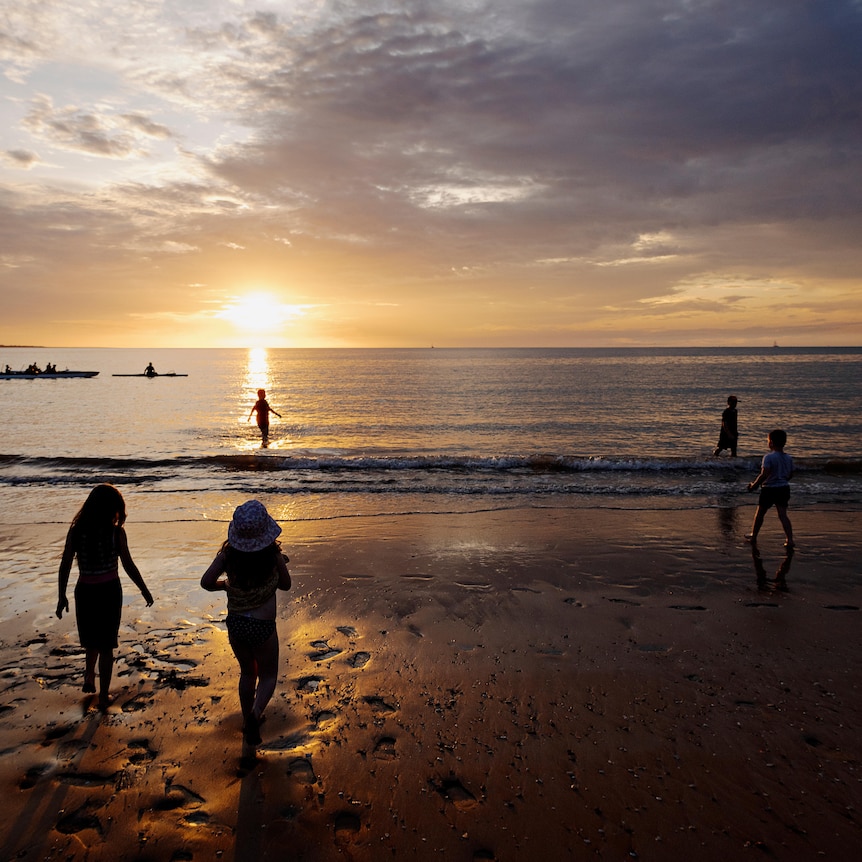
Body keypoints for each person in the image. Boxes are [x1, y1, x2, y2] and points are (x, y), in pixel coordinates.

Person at [201, 500, 291, 746]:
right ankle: (254, 714)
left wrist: (226, 585)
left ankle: (246, 719)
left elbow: (206, 582)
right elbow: (285, 584)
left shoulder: (228, 555)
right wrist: (278, 564)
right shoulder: (272, 555)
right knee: (269, 675)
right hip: (262, 626)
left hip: (237, 625)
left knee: (247, 672)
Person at [56, 484, 154, 710]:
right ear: (114, 509)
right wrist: (143, 588)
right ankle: (103, 696)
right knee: (106, 645)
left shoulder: (77, 531)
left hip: (84, 591)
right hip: (109, 591)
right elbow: (128, 564)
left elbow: (65, 564)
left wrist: (61, 595)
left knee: (91, 639)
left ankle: (89, 673)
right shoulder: (115, 534)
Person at [746, 428, 794, 547]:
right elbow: (791, 474)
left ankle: (754, 535)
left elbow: (764, 474)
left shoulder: (768, 457)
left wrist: (754, 485)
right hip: (783, 488)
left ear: (771, 442)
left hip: (769, 489)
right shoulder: (788, 458)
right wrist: (783, 480)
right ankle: (790, 539)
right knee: (783, 515)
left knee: (760, 513)